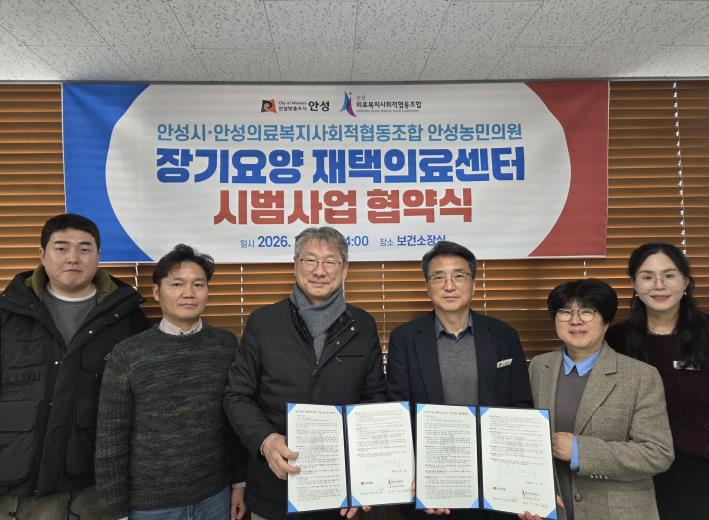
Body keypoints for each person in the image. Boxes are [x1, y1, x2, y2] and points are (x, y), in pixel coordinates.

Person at [224, 226, 386, 520]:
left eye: (330, 261)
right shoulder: (263, 322)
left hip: (341, 493)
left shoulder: (363, 325)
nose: (319, 271)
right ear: (295, 264)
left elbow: (375, 399)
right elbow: (237, 395)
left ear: (345, 269)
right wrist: (266, 440)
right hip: (274, 489)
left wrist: (363, 478)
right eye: (310, 260)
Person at [0, 213, 149, 520]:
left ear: (98, 256)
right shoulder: (7, 314)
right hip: (16, 486)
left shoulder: (127, 316)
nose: (73, 258)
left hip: (92, 484)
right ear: (42, 254)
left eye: (84, 248)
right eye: (61, 248)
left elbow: (143, 402)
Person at [95, 244, 246, 520]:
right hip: (151, 506)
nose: (189, 293)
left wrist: (239, 482)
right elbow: (110, 440)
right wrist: (116, 513)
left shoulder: (225, 345)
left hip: (215, 496)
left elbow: (233, 422)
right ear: (156, 292)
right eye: (177, 284)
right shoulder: (128, 354)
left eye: (198, 284)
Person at [386, 240, 532, 519]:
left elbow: (520, 406)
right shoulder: (405, 338)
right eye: (438, 277)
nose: (449, 286)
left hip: (494, 479)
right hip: (432, 479)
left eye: (458, 276)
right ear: (427, 286)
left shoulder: (504, 336)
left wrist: (520, 477)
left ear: (473, 283)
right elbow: (398, 411)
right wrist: (413, 473)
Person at [524, 279, 673, 520]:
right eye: (565, 312)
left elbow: (657, 453)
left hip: (617, 512)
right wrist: (530, 495)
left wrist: (579, 451)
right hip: (554, 510)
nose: (575, 320)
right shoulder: (539, 368)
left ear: (606, 321)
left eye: (587, 312)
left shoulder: (640, 376)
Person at [606, 243, 709, 518]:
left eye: (669, 275)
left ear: (685, 282)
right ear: (634, 284)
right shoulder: (615, 340)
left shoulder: (706, 335)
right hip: (632, 472)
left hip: (697, 475)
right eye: (647, 276)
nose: (659, 285)